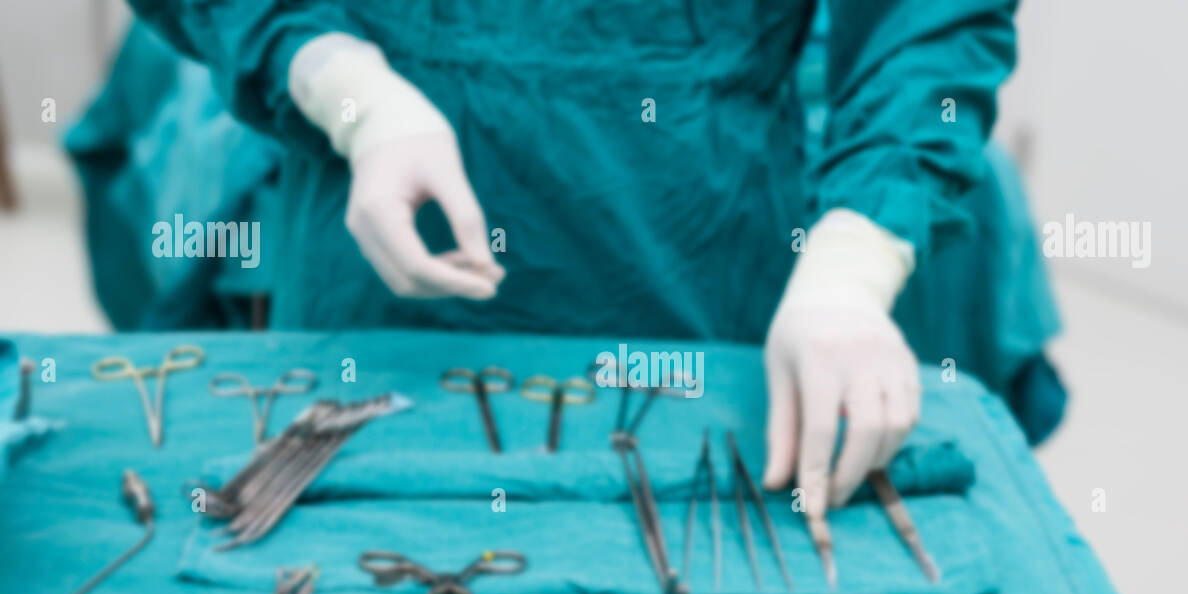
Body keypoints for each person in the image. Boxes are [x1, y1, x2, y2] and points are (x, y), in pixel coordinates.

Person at [126, 0, 1058, 554]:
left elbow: (926, 27)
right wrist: (341, 84)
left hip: (694, 266)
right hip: (379, 278)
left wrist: (852, 267)